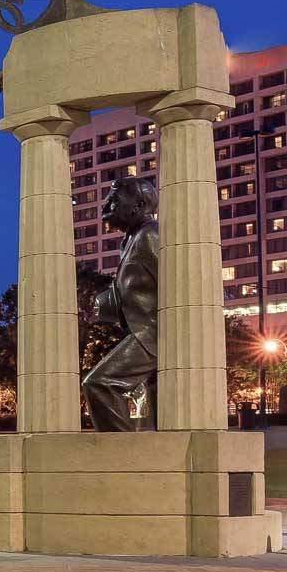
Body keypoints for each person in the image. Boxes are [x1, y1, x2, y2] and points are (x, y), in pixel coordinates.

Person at [82, 176, 159, 431]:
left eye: (114, 200)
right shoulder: (130, 239)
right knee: (151, 410)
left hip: (151, 335)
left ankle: (120, 451)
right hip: (140, 332)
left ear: (139, 205)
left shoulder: (151, 235)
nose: (105, 205)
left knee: (99, 384)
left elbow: (177, 284)